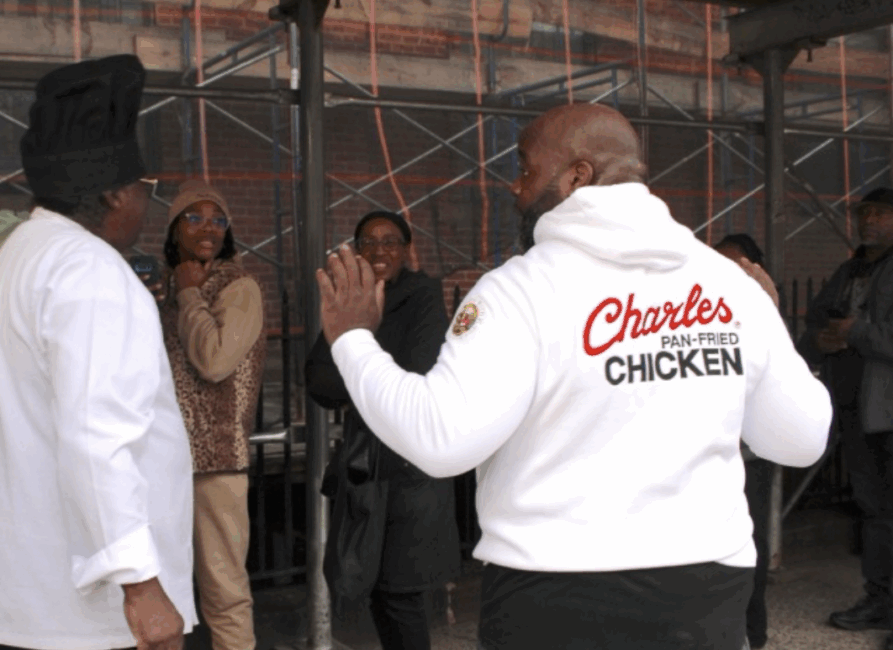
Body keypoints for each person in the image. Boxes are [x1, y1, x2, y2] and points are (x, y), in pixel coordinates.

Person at [315, 102, 831, 650]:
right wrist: (767, 324)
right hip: (707, 594)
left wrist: (351, 340)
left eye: (525, 169)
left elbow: (440, 440)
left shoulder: (520, 289)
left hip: (554, 597)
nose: (514, 188)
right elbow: (800, 440)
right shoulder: (731, 287)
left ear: (576, 176)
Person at [0, 54, 196, 650]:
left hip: (19, 592)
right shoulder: (90, 271)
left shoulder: (23, 252)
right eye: (146, 190)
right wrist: (141, 585)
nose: (146, 204)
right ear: (114, 194)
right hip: (81, 616)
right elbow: (97, 436)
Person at [305, 210, 461, 650]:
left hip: (409, 476)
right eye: (368, 242)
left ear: (406, 250)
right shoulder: (349, 299)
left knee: (401, 597)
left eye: (390, 241)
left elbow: (415, 375)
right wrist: (369, 371)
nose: (379, 251)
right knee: (372, 592)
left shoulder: (423, 296)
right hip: (365, 473)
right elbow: (319, 382)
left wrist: (356, 351)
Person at [158, 180, 265, 650]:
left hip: (216, 463)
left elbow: (215, 361)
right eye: (195, 217)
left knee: (224, 594)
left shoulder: (239, 287)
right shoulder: (163, 288)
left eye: (218, 219)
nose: (208, 227)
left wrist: (188, 296)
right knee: (159, 589)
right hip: (160, 460)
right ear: (174, 228)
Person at [800, 188, 893, 649]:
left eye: (880, 212)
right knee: (874, 509)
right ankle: (879, 599)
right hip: (858, 407)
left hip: (888, 407)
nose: (869, 219)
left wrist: (856, 332)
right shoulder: (851, 268)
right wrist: (823, 338)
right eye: (865, 212)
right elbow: (814, 321)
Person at [713, 233, 774, 650]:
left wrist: (767, 311)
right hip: (710, 454)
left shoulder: (761, 317)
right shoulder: (697, 312)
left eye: (739, 267)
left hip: (749, 456)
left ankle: (754, 633)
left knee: (749, 546)